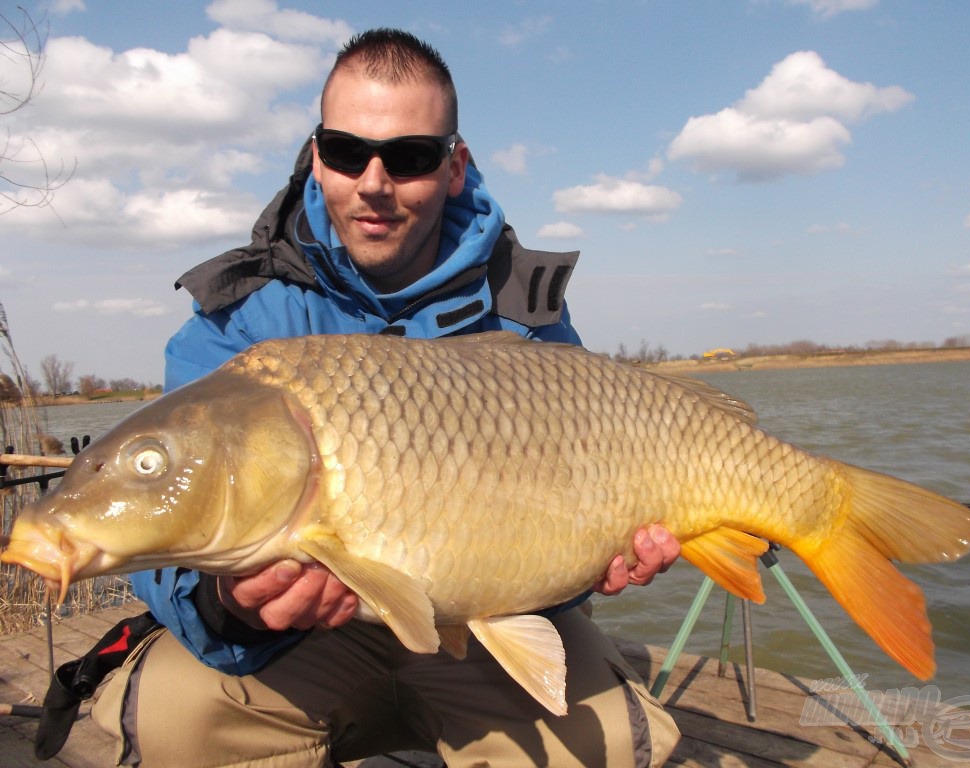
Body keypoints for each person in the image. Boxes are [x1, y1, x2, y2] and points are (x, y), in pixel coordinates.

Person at [93, 28, 682, 768]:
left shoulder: (523, 308)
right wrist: (227, 607)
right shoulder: (239, 315)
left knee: (603, 748)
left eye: (408, 157)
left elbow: (571, 514)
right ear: (316, 155)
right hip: (302, 646)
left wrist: (595, 557)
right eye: (347, 151)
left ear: (454, 166)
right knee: (174, 719)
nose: (374, 181)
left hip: (486, 627)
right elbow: (168, 513)